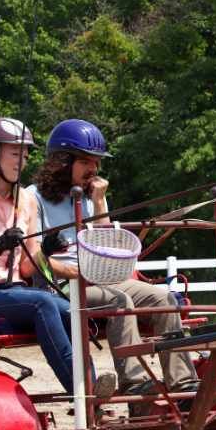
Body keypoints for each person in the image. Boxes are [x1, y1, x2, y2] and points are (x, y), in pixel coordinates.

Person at [28, 118, 199, 396]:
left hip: (98, 280)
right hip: (60, 289)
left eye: (96, 162)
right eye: (85, 162)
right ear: (61, 161)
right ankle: (134, 382)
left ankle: (183, 385)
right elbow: (34, 258)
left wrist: (98, 203)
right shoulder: (32, 198)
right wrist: (75, 274)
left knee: (164, 299)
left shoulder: (91, 197)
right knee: (120, 300)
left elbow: (107, 247)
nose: (94, 169)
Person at [0, 116, 116, 397]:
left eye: (25, 155)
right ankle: (84, 392)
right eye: (15, 153)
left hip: (15, 294)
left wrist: (45, 250)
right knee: (42, 302)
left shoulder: (25, 200)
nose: (21, 161)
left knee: (74, 311)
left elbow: (26, 268)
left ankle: (93, 394)